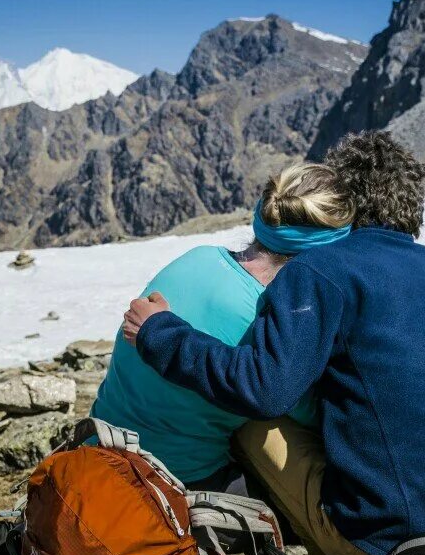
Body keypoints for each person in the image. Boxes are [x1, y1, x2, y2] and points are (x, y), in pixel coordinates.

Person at [122, 131, 425, 555]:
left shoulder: (322, 272)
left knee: (255, 423)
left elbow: (263, 389)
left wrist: (162, 334)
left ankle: (270, 547)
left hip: (385, 549)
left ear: (341, 203)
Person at [90, 162, 354, 491]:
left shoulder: (199, 256)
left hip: (97, 447)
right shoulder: (268, 317)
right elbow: (308, 414)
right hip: (175, 482)